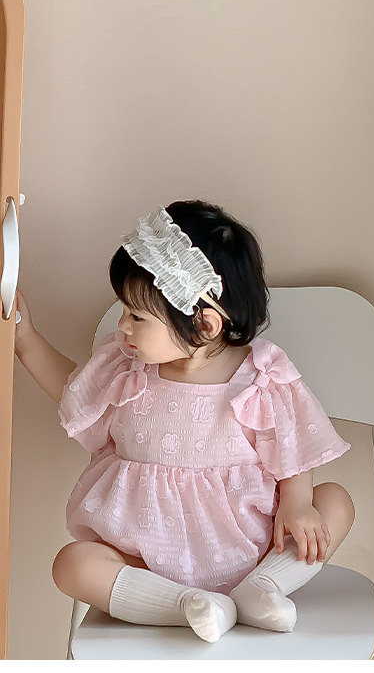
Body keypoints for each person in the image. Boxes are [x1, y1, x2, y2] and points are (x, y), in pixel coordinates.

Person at [14, 199, 354, 642]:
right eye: (123, 310)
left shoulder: (260, 378)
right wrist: (26, 342)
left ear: (205, 325)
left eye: (137, 316)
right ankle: (187, 605)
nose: (122, 326)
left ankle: (264, 586)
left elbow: (292, 447)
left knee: (334, 501)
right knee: (72, 564)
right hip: (145, 559)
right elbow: (75, 389)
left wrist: (296, 502)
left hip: (252, 549)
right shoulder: (127, 371)